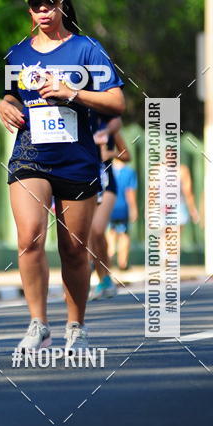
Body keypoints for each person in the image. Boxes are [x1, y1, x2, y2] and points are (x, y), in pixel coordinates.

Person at [0, 0, 124, 356]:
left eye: (49, 4)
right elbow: (9, 97)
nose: (42, 11)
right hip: (30, 156)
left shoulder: (87, 49)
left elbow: (117, 102)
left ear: (62, 5)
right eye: (36, 5)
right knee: (29, 237)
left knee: (73, 248)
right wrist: (6, 106)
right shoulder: (18, 53)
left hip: (76, 160)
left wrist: (73, 92)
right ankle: (38, 323)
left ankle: (76, 326)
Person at [89, 120, 131, 299]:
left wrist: (111, 153)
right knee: (89, 237)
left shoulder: (109, 129)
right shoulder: (75, 123)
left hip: (107, 185)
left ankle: (106, 278)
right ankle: (102, 279)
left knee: (97, 230)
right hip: (85, 183)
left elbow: (127, 155)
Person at [108, 157, 138, 271]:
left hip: (108, 206)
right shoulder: (129, 172)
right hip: (123, 208)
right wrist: (133, 209)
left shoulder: (107, 170)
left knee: (110, 233)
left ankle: (108, 259)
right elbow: (130, 193)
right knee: (124, 235)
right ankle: (122, 263)